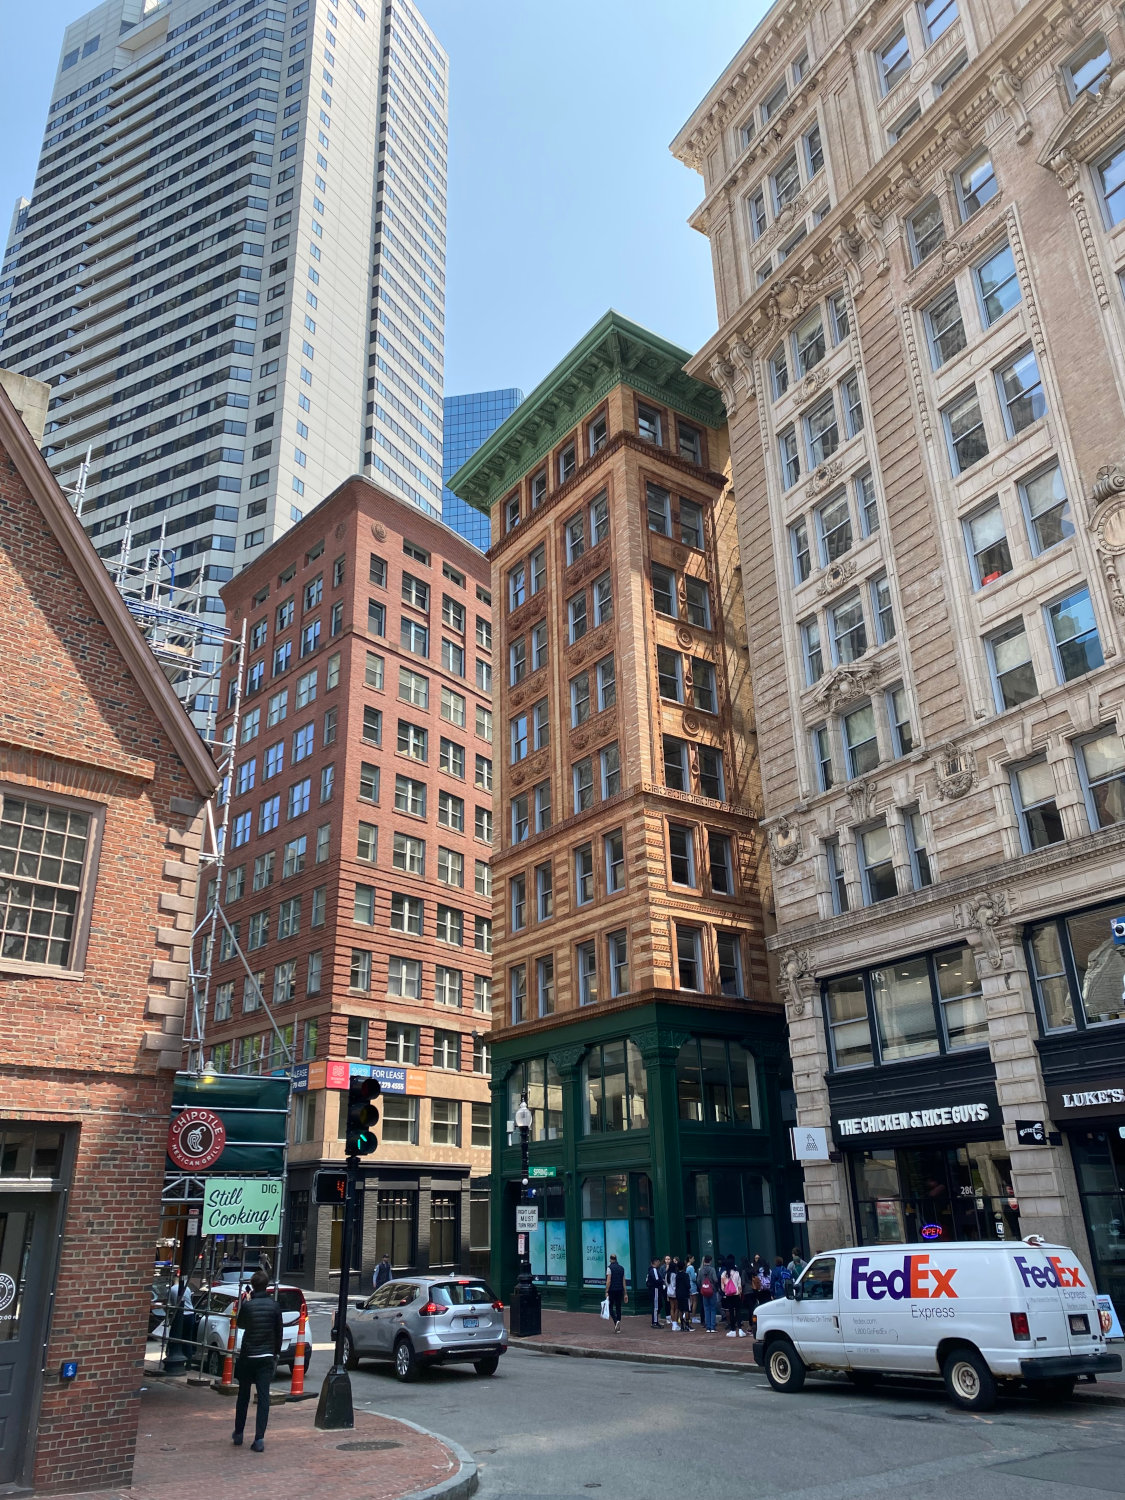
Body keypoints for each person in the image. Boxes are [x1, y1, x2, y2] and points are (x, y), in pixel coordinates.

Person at [232, 1270, 283, 1452]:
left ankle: (239, 1433)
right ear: (267, 1285)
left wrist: (245, 1302)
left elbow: (241, 1324)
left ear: (253, 1286)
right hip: (266, 1356)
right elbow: (279, 1333)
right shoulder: (274, 1306)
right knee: (263, 1398)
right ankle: (259, 1438)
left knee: (243, 1395)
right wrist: (275, 1353)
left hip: (248, 1355)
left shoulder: (248, 1305)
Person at [605, 1254, 627, 1332]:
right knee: (618, 1307)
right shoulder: (621, 1268)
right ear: (616, 1259)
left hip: (612, 1290)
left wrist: (606, 1291)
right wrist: (625, 1293)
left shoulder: (609, 1268)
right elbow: (623, 1281)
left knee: (610, 1307)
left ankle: (615, 1321)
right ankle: (618, 1324)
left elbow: (608, 1281)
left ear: (610, 1259)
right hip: (620, 1290)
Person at [698, 1256, 719, 1333]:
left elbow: (698, 1281)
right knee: (713, 1308)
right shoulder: (712, 1269)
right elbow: (715, 1279)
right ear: (710, 1261)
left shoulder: (701, 1270)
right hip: (712, 1290)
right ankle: (713, 1327)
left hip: (704, 1291)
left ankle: (708, 1327)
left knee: (706, 1308)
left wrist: (702, 1287)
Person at [721, 1261, 743, 1337]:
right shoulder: (736, 1273)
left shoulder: (724, 1274)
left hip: (728, 1295)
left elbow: (723, 1287)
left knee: (731, 1312)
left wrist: (726, 1291)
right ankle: (740, 1329)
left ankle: (733, 1330)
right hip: (736, 1294)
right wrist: (739, 1292)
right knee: (738, 1311)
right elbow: (739, 1285)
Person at [675, 1259, 692, 1331]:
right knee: (687, 1310)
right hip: (685, 1294)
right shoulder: (686, 1275)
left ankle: (682, 1325)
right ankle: (687, 1325)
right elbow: (688, 1285)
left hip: (678, 1294)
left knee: (680, 1309)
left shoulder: (677, 1275)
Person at [645, 1257, 663, 1328]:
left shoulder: (650, 1270)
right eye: (658, 1262)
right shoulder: (654, 1270)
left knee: (657, 1305)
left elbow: (647, 1281)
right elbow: (657, 1280)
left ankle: (655, 1321)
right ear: (655, 1262)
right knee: (656, 1306)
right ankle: (655, 1322)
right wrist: (662, 1282)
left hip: (653, 1289)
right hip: (655, 1290)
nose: (659, 1263)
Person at [666, 1258, 681, 1331]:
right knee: (677, 1307)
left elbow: (666, 1283)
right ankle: (675, 1323)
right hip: (675, 1292)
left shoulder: (667, 1274)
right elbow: (676, 1284)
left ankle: (673, 1323)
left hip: (669, 1292)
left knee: (672, 1307)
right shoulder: (674, 1275)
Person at [686, 1255, 699, 1323]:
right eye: (693, 1258)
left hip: (688, 1285)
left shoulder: (686, 1267)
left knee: (690, 1302)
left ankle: (686, 1315)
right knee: (695, 1302)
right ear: (690, 1259)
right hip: (693, 1285)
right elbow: (694, 1278)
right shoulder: (691, 1267)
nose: (694, 1259)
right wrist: (696, 1274)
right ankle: (693, 1317)